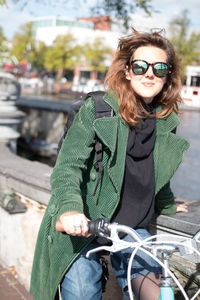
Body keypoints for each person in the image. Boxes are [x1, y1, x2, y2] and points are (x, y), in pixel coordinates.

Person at [30, 28, 189, 300]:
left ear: (168, 75)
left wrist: (168, 205)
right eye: (140, 66)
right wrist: (70, 211)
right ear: (127, 71)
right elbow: (68, 167)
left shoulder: (165, 121)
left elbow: (156, 173)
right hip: (85, 223)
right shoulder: (98, 109)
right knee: (81, 291)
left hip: (131, 227)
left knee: (157, 294)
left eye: (159, 68)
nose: (149, 73)